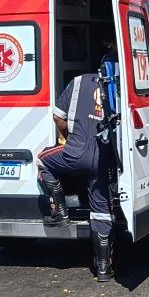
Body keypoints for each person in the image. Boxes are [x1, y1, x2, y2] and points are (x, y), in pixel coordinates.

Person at [37, 73, 117, 282]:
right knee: (101, 210)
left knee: (42, 160)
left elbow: (58, 116)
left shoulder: (78, 81)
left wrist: (68, 136)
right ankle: (103, 269)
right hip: (104, 158)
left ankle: (60, 213)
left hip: (76, 153)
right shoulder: (119, 80)